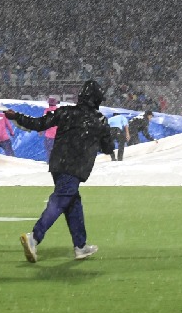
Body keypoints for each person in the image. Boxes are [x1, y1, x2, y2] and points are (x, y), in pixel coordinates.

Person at [6, 80, 113, 262]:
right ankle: (34, 237)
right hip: (76, 167)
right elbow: (108, 147)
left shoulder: (65, 112)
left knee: (73, 203)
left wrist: (16, 116)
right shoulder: (100, 120)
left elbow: (38, 124)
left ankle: (80, 246)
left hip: (58, 164)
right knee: (60, 201)